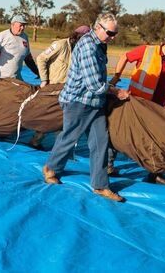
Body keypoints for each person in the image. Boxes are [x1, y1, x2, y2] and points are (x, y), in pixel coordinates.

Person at [42, 13, 130, 202]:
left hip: (95, 102)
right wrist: (116, 92)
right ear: (98, 27)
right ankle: (51, 168)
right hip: (78, 101)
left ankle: (100, 185)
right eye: (110, 33)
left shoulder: (101, 43)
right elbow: (94, 84)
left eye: (115, 34)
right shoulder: (88, 47)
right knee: (69, 137)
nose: (113, 37)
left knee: (100, 142)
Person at [109, 30, 165, 185]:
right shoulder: (147, 51)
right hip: (137, 104)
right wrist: (116, 77)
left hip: (161, 108)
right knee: (121, 132)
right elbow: (125, 57)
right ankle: (108, 165)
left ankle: (155, 173)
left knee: (158, 140)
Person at [29, 25, 90, 148]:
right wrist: (44, 80)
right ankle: (36, 142)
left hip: (69, 90)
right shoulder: (60, 45)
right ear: (78, 37)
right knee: (49, 118)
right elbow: (41, 58)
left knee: (63, 120)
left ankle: (60, 149)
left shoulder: (81, 50)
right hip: (54, 88)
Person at [0, 15, 39, 80]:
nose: (23, 28)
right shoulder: (2, 36)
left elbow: (28, 58)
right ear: (12, 25)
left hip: (17, 77)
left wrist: (36, 72)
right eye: (20, 25)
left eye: (24, 25)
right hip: (2, 78)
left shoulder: (25, 37)